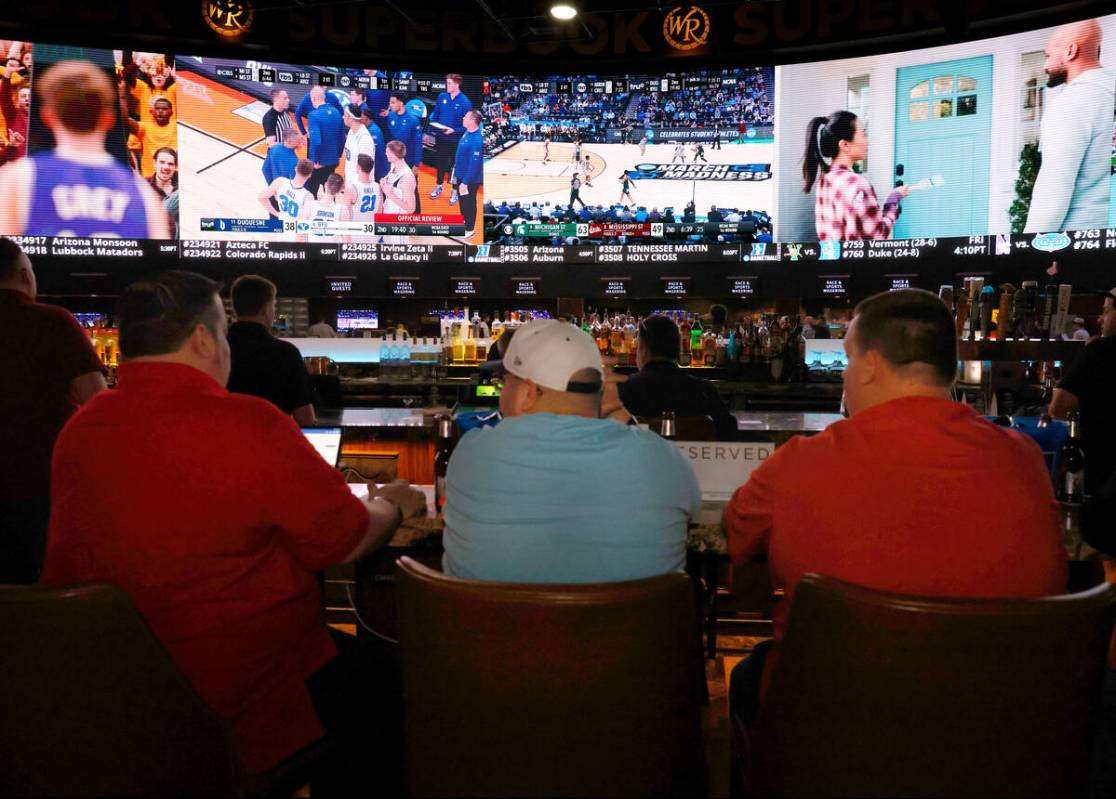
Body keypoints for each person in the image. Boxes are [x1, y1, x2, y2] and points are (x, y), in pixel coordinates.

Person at [40, 270, 427, 786]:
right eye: (222, 332)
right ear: (203, 338)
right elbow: (345, 539)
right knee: (397, 682)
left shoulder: (79, 430)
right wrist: (394, 505)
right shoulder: (250, 422)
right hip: (236, 696)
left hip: (112, 695)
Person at [723, 289, 1067, 743]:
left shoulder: (800, 461)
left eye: (847, 360)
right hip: (998, 738)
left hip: (833, 735)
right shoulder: (1025, 459)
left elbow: (736, 534)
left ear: (869, 365)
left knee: (749, 677)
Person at [442, 319, 700, 583]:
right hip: (631, 624)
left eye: (504, 382)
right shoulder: (665, 461)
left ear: (529, 393)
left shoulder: (472, 455)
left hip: (495, 623)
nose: (500, 393)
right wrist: (617, 412)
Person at [0, 237, 105, 582]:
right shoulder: (52, 322)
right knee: (39, 587)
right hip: (41, 483)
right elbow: (97, 402)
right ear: (26, 276)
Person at [0, 60, 169, 238]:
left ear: (47, 117)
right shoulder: (142, 192)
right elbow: (160, 263)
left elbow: (8, 260)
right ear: (109, 118)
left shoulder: (19, 178)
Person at [1025, 20, 1115, 233]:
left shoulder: (1071, 103)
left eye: (1048, 56)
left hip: (1078, 247)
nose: (1045, 66)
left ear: (1070, 51)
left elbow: (1053, 190)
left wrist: (1027, 254)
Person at [605, 314, 737, 440]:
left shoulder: (620, 391)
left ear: (643, 350)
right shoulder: (705, 391)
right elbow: (729, 430)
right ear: (677, 350)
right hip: (691, 463)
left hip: (636, 462)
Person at [1048, 287, 1116, 495]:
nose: (1099, 319)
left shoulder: (1100, 351)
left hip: (1102, 483)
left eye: (1105, 311)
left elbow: (1058, 409)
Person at [227, 274, 317, 425]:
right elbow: (305, 419)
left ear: (236, 309)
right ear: (265, 310)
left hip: (222, 444)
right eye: (273, 306)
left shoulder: (215, 350)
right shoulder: (286, 353)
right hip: (272, 444)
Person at [804, 110, 909, 241]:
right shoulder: (857, 183)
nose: (867, 142)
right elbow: (877, 236)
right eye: (863, 134)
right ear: (845, 145)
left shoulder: (825, 181)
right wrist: (893, 200)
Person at [427, 73, 471, 204]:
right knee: (440, 164)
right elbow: (435, 116)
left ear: (457, 84)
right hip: (441, 138)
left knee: (455, 167)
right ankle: (439, 185)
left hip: (456, 141)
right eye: (447, 82)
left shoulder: (465, 102)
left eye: (450, 83)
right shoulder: (442, 97)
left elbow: (467, 127)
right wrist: (431, 131)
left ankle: (455, 191)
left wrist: (454, 130)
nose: (447, 85)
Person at [259, 157, 314, 242]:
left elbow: (261, 197)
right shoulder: (308, 197)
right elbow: (303, 224)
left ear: (296, 169)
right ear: (310, 175)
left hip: (282, 229)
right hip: (296, 236)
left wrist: (276, 213)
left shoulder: (280, 182)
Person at [386, 91, 423, 213]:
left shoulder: (413, 120)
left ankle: (416, 219)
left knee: (412, 190)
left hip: (409, 161)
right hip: (395, 160)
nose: (390, 105)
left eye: (393, 102)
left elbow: (418, 143)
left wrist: (416, 165)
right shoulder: (391, 116)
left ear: (401, 103)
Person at [306, 86, 345, 197]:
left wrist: (316, 160)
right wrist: (338, 156)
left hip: (319, 162)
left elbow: (316, 141)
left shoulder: (313, 116)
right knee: (328, 191)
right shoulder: (336, 112)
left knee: (311, 192)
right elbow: (342, 138)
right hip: (333, 160)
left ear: (313, 98)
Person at [125, 95, 176, 179]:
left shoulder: (177, 126)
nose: (160, 111)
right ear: (152, 111)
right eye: (157, 108)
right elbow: (125, 121)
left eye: (164, 109)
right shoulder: (144, 127)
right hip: (150, 179)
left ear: (171, 112)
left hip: (174, 179)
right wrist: (122, 97)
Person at [453, 109, 483, 240]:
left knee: (469, 203)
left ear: (472, 121)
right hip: (460, 175)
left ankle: (470, 229)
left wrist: (465, 182)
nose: (463, 118)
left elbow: (474, 164)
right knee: (463, 203)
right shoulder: (467, 131)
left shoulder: (477, 140)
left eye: (465, 116)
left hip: (469, 180)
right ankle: (464, 224)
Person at [300, 172, 349, 244]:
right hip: (333, 252)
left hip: (312, 251)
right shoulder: (343, 210)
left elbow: (300, 234)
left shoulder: (310, 205)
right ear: (340, 190)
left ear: (326, 185)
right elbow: (347, 240)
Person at [346, 152, 378, 240]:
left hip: (355, 233)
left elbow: (345, 215)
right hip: (372, 233)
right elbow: (379, 212)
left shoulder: (352, 188)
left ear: (358, 167)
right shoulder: (378, 187)